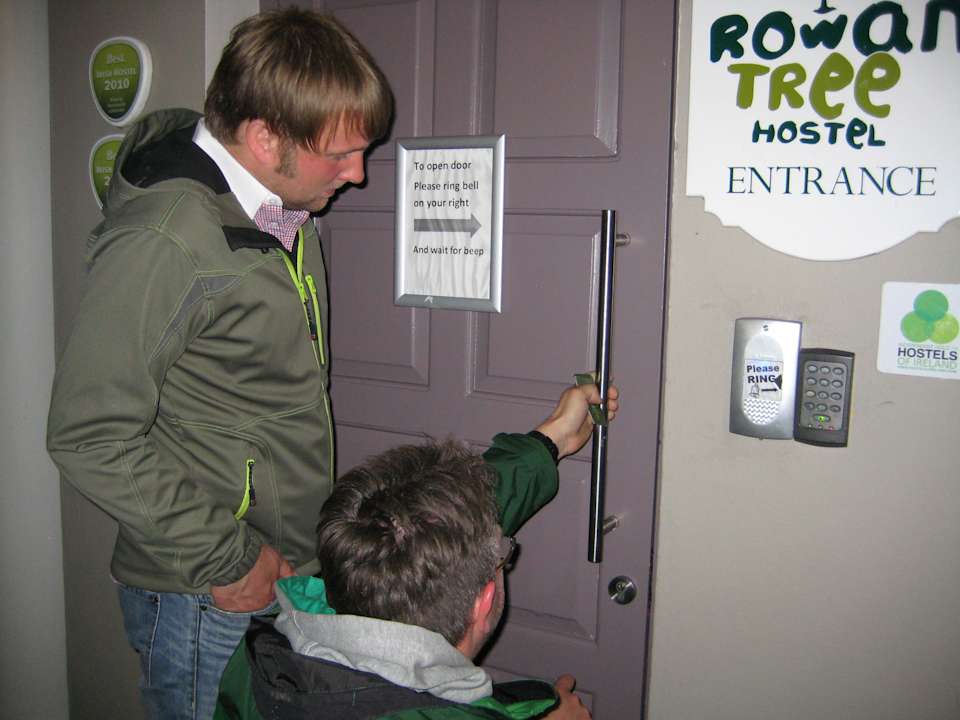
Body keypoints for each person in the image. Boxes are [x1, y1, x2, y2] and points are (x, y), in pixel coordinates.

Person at [46, 8, 392, 719]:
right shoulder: (168, 239)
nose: (357, 175)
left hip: (277, 573)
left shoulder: (277, 209)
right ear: (264, 137)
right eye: (340, 154)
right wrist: (228, 558)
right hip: (208, 592)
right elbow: (87, 433)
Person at [214, 383, 618, 720]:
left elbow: (436, 523)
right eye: (501, 550)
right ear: (482, 602)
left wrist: (551, 439)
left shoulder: (263, 660)